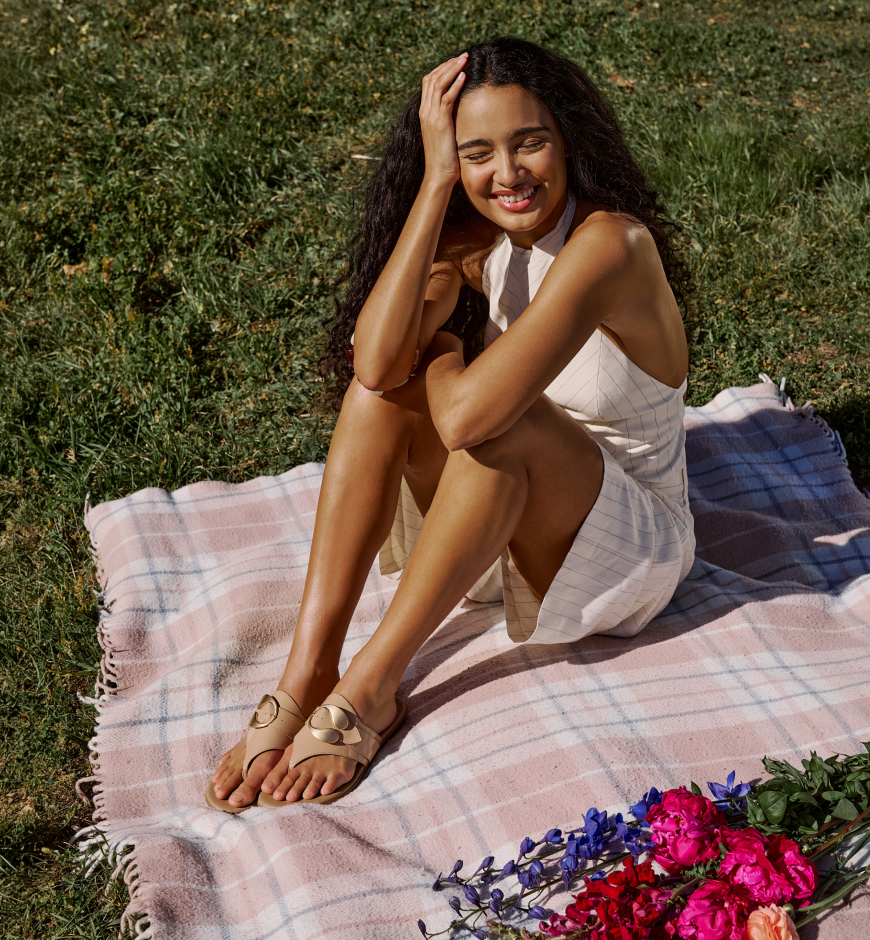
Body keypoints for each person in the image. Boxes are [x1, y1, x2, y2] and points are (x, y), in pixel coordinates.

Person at [207, 36, 695, 813]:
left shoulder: (611, 245)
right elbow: (371, 364)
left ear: (568, 138)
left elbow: (467, 416)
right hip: (509, 522)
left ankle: (371, 687)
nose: (507, 174)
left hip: (629, 552)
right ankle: (308, 671)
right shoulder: (485, 234)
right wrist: (434, 190)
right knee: (381, 395)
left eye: (529, 141)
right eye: (477, 153)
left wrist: (442, 354)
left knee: (492, 420)